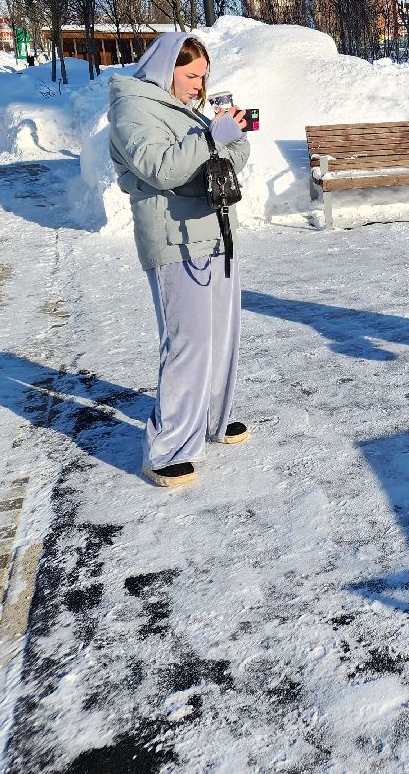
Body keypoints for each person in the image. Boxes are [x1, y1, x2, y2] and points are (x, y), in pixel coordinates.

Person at [108, 33, 252, 487]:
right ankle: (167, 448)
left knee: (220, 336)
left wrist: (233, 136)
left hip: (213, 231)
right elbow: (161, 169)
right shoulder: (133, 108)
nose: (198, 85)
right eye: (191, 75)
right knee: (187, 343)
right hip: (174, 238)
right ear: (164, 68)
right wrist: (211, 135)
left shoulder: (186, 110)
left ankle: (210, 419)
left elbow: (226, 163)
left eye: (203, 76)